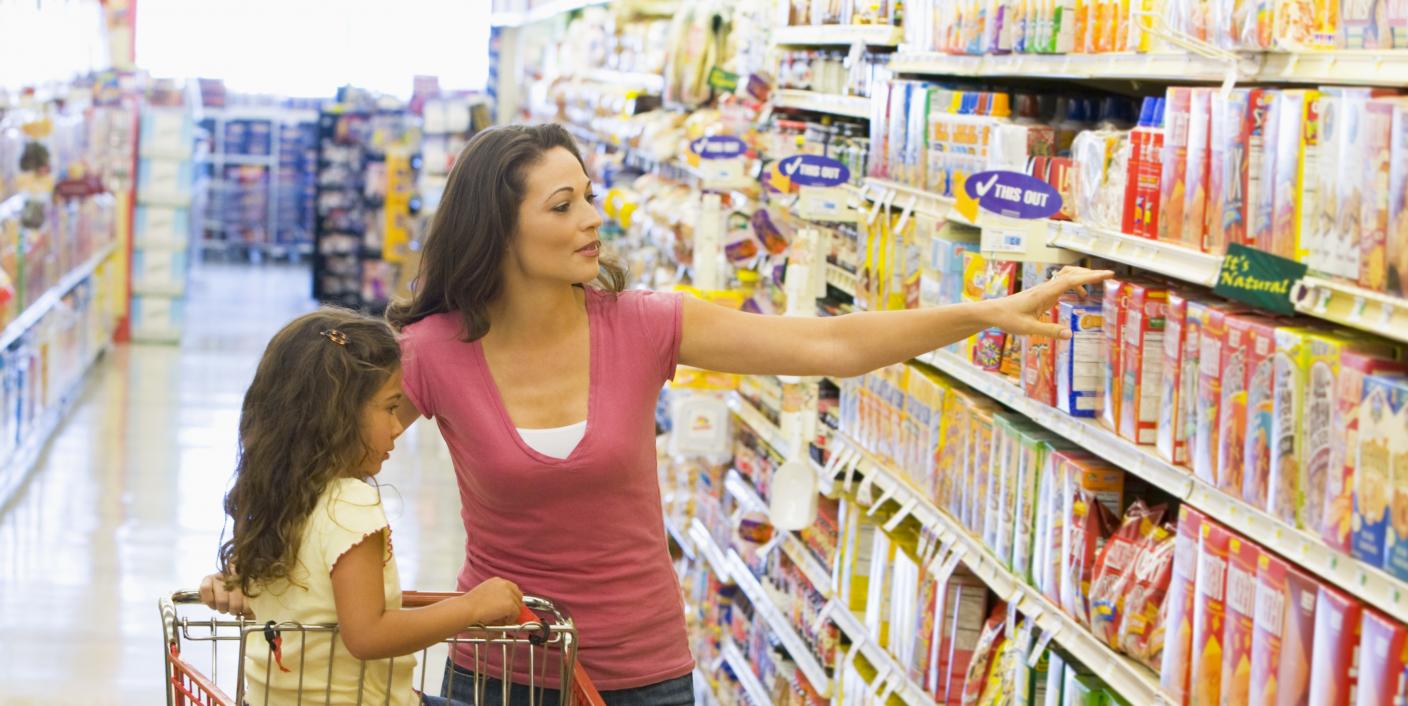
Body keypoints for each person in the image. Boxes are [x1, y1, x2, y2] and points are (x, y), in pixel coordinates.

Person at [204, 123, 1112, 705]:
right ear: (501, 231)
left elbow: (825, 346)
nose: (595, 218)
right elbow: (311, 449)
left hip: (643, 670)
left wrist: (978, 314)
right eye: (564, 205)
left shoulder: (646, 327)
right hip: (503, 670)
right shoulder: (439, 351)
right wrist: (258, 573)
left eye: (591, 194)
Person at [214, 307, 525, 706]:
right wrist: (473, 606)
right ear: (337, 415)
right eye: (391, 407)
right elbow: (367, 634)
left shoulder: (276, 498)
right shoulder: (350, 505)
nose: (399, 426)